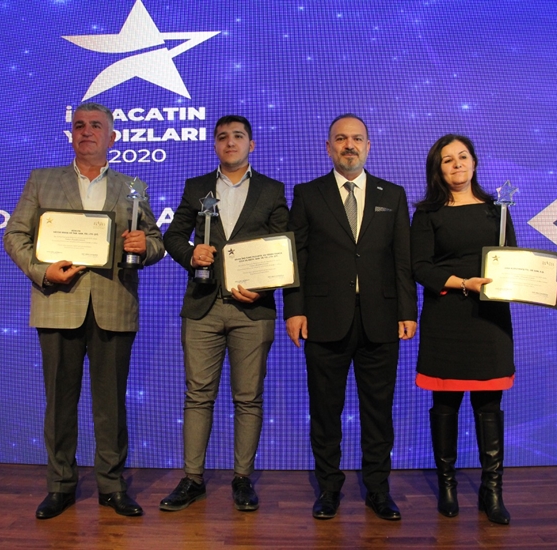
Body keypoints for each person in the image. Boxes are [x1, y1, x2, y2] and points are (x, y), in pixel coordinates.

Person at [3, 102, 164, 520]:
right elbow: (14, 235)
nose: (86, 131)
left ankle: (112, 486)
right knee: (59, 402)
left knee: (111, 404)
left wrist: (145, 247)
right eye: (79, 126)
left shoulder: (133, 186)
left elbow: (155, 241)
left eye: (95, 125)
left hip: (114, 305)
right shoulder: (42, 180)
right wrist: (42, 271)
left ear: (113, 137)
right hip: (58, 303)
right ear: (71, 135)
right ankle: (60, 486)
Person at [284, 114, 418, 521]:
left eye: (357, 138)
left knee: (378, 412)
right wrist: (294, 309)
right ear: (328, 148)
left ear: (368, 146)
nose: (349, 145)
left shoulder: (393, 195)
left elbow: (402, 259)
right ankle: (328, 489)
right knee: (325, 412)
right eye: (341, 139)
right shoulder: (307, 194)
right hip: (323, 319)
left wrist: (407, 311)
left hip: (381, 320)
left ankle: (378, 490)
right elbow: (296, 257)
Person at [161, 115, 288, 512]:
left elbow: (282, 247)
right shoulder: (196, 187)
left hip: (254, 308)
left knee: (248, 398)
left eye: (238, 136)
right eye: (222, 137)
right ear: (214, 145)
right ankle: (192, 479)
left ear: (252, 144)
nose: (229, 142)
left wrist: (263, 287)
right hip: (203, 305)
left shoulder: (272, 189)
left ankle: (242, 479)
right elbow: (173, 236)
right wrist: (190, 253)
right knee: (198, 395)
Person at [410, 134, 516, 525]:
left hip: (490, 320)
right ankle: (448, 486)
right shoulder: (427, 214)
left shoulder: (497, 210)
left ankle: (492, 491)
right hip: (446, 318)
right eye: (447, 160)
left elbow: (512, 260)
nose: (457, 164)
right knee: (446, 404)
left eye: (463, 156)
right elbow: (420, 267)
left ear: (474, 162)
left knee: (489, 404)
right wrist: (462, 283)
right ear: (437, 169)